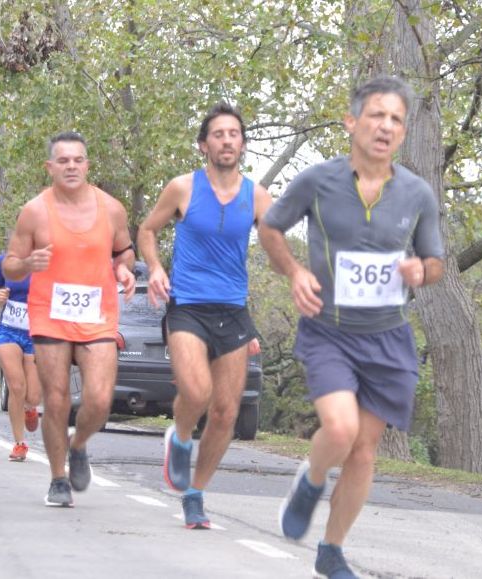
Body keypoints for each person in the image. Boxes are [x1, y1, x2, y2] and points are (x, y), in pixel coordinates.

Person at [257, 76, 445, 578]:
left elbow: (435, 262)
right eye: (377, 115)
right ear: (352, 122)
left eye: (396, 120)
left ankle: (332, 550)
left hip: (387, 336)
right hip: (329, 331)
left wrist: (419, 272)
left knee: (364, 451)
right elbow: (271, 226)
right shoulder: (317, 181)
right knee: (339, 429)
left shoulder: (417, 193)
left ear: (403, 133)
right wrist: (295, 271)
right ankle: (312, 478)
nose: (385, 127)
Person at [137, 102, 272, 529]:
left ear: (243, 145)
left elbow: (276, 244)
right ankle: (178, 438)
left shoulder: (257, 196)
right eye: (218, 134)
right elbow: (146, 230)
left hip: (233, 311)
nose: (227, 140)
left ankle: (196, 493)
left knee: (227, 413)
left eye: (234, 133)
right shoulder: (182, 188)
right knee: (196, 392)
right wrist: (156, 268)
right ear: (203, 145)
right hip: (188, 307)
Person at [3, 131, 135, 507]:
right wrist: (29, 264)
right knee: (57, 400)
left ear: (88, 164)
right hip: (50, 315)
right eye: (63, 160)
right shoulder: (34, 211)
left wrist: (125, 270)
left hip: (97, 315)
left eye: (78, 159)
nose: (72, 166)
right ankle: (58, 479)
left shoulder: (111, 208)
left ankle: (79, 445)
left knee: (99, 398)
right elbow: (11, 266)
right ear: (50, 167)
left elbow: (124, 252)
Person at [0, 251, 41, 461]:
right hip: (8, 331)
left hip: (36, 335)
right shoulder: (5, 261)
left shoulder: (49, 262)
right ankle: (19, 444)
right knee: (16, 386)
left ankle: (30, 407)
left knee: (33, 396)